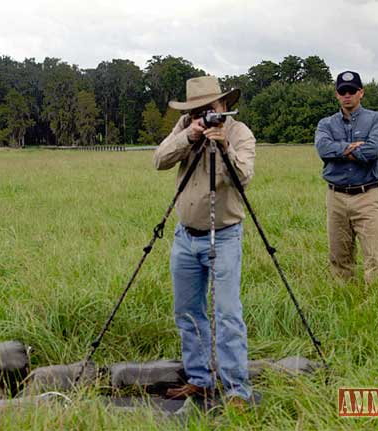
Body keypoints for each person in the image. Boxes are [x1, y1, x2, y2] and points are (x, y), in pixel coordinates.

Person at [153, 75, 255, 405]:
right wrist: (189, 135)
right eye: (198, 110)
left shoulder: (240, 134)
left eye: (210, 109)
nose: (205, 115)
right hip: (185, 236)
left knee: (227, 313)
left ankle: (237, 389)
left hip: (224, 236)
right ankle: (200, 379)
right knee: (187, 311)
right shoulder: (186, 127)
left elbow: (243, 180)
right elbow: (159, 160)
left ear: (224, 106)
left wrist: (223, 146)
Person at [314, 70, 378, 284]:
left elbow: (376, 150)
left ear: (361, 92)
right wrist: (351, 148)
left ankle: (376, 305)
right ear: (337, 95)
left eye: (351, 90)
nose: (347, 95)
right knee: (339, 257)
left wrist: (339, 151)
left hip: (368, 195)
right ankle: (344, 300)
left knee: (376, 257)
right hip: (336, 197)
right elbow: (323, 149)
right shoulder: (325, 124)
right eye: (342, 91)